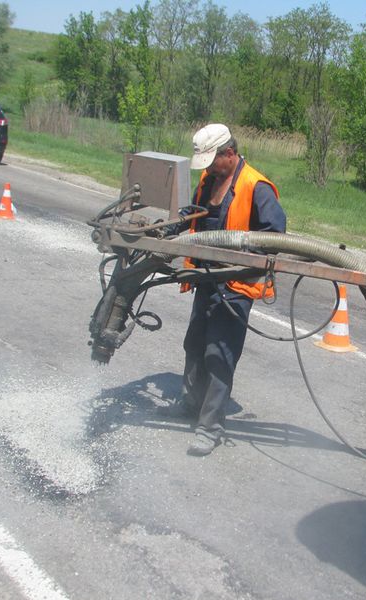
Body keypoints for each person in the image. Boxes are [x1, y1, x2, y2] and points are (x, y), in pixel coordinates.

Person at [160, 123, 287, 456]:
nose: (210, 169)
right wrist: (173, 226)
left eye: (213, 162)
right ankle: (190, 404)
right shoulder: (208, 180)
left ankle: (210, 427)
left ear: (229, 154)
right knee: (195, 343)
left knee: (220, 354)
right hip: (205, 279)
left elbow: (275, 235)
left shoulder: (256, 187)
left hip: (235, 285)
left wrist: (242, 256)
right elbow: (195, 216)